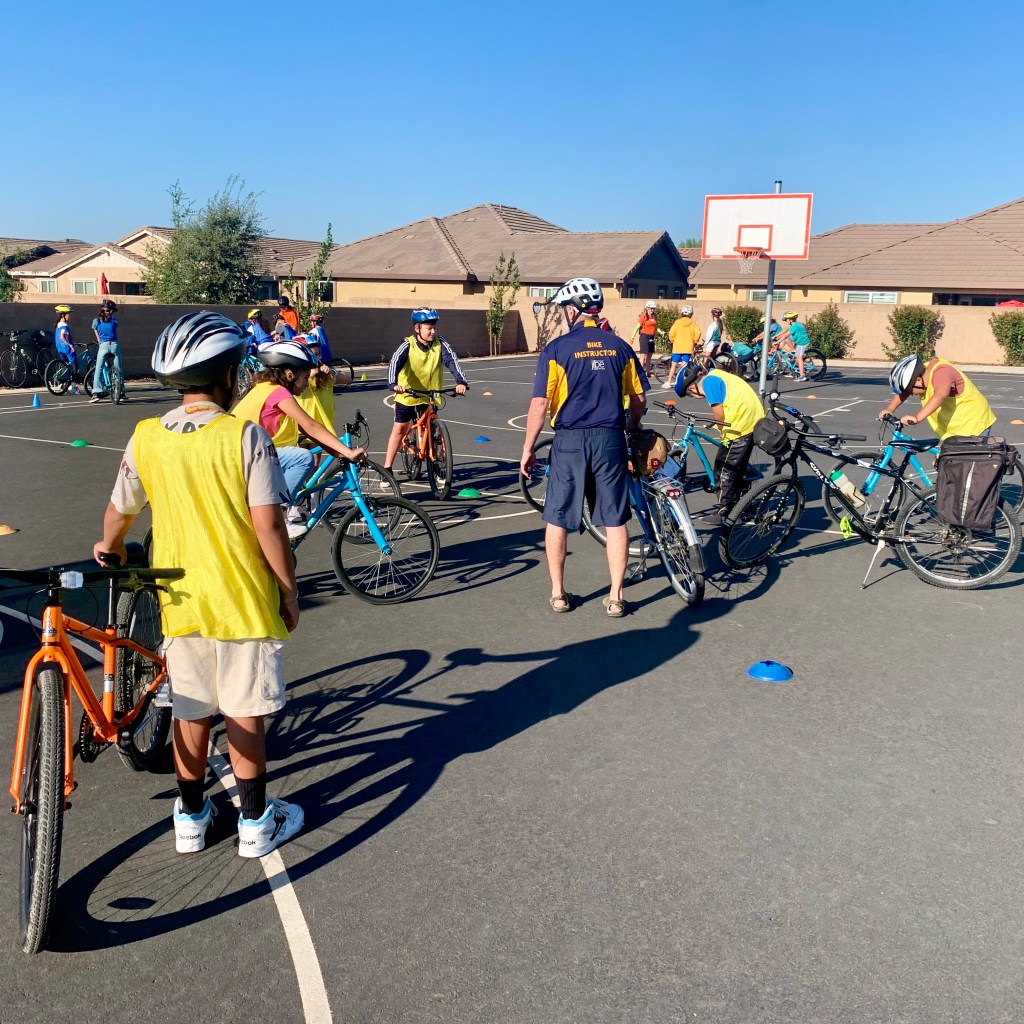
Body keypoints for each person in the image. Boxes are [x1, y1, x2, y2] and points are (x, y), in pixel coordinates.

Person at [93, 311, 304, 858]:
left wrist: (109, 547)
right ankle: (254, 821)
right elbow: (269, 525)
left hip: (179, 600)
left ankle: (190, 815)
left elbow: (119, 512)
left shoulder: (146, 437)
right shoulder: (245, 436)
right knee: (243, 710)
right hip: (240, 598)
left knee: (190, 708)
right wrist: (288, 588)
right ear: (228, 375)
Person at [520, 277, 647, 618]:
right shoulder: (620, 347)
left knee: (558, 517)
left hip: (570, 440)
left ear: (573, 310)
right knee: (615, 518)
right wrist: (632, 425)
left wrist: (528, 448)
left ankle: (558, 594)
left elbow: (540, 404)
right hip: (610, 438)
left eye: (564, 308)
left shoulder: (557, 349)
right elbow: (639, 399)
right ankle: (616, 596)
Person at [232, 340, 366, 537]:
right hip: (245, 456)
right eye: (304, 377)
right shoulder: (278, 392)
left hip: (242, 454)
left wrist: (340, 453)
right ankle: (277, 517)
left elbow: (309, 431)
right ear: (289, 374)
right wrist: (348, 451)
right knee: (302, 458)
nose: (305, 383)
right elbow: (310, 425)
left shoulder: (263, 387)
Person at [674, 355, 761, 519]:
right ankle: (740, 504)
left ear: (692, 386)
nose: (696, 397)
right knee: (736, 468)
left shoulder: (709, 383)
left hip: (739, 427)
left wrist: (722, 432)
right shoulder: (718, 374)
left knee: (723, 469)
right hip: (752, 421)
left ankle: (725, 511)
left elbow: (719, 415)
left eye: (691, 394)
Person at [382, 308, 468, 473]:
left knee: (433, 430)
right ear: (417, 328)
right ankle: (387, 469)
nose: (433, 331)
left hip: (430, 395)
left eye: (434, 327)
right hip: (407, 394)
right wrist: (393, 384)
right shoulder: (408, 344)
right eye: (429, 328)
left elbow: (452, 360)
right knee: (400, 428)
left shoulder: (440, 343)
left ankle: (437, 464)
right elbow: (394, 363)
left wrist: (460, 381)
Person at [881, 354, 996, 439]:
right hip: (955, 429)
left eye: (910, 390)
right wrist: (890, 409)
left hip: (973, 424)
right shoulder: (922, 373)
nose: (911, 393)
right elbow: (904, 392)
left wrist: (917, 418)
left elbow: (940, 394)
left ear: (918, 380)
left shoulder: (942, 372)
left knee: (969, 463)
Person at [90, 305, 125, 403]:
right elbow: (113, 327)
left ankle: (96, 393)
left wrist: (99, 341)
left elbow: (96, 331)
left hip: (103, 345)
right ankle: (121, 392)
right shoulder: (114, 320)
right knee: (119, 368)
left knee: (99, 369)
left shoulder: (96, 321)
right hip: (114, 345)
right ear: (111, 311)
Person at [666, 304, 702, 387]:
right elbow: (698, 333)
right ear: (691, 314)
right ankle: (679, 381)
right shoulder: (693, 323)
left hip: (677, 347)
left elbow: (671, 333)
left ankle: (668, 381)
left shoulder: (677, 322)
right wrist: (695, 341)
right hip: (688, 348)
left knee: (674, 365)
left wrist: (672, 340)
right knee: (684, 365)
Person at [775, 311, 812, 381]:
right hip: (800, 342)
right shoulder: (797, 324)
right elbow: (785, 333)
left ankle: (802, 376)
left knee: (799, 358)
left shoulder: (794, 326)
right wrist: (777, 338)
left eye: (786, 320)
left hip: (802, 343)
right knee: (797, 357)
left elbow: (786, 335)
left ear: (790, 320)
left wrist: (777, 342)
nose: (785, 321)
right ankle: (800, 370)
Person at [631, 300, 659, 373]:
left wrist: (661, 332)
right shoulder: (643, 317)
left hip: (651, 336)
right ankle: (641, 372)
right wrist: (632, 337)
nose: (652, 310)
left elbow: (656, 327)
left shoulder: (654, 317)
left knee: (649, 355)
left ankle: (648, 371)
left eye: (653, 308)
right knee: (643, 355)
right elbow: (637, 327)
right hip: (644, 336)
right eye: (651, 308)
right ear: (647, 308)